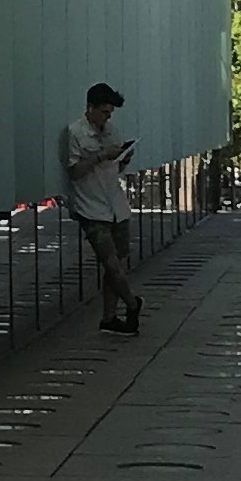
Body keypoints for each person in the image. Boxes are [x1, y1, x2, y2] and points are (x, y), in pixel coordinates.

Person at [62, 82, 142, 332]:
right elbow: (74, 171)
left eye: (110, 113)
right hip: (91, 207)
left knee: (117, 263)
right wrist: (100, 155)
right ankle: (132, 303)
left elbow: (116, 168)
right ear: (90, 108)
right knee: (110, 263)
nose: (107, 118)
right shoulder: (75, 133)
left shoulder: (112, 131)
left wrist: (123, 157)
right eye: (104, 112)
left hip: (116, 204)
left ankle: (109, 317)